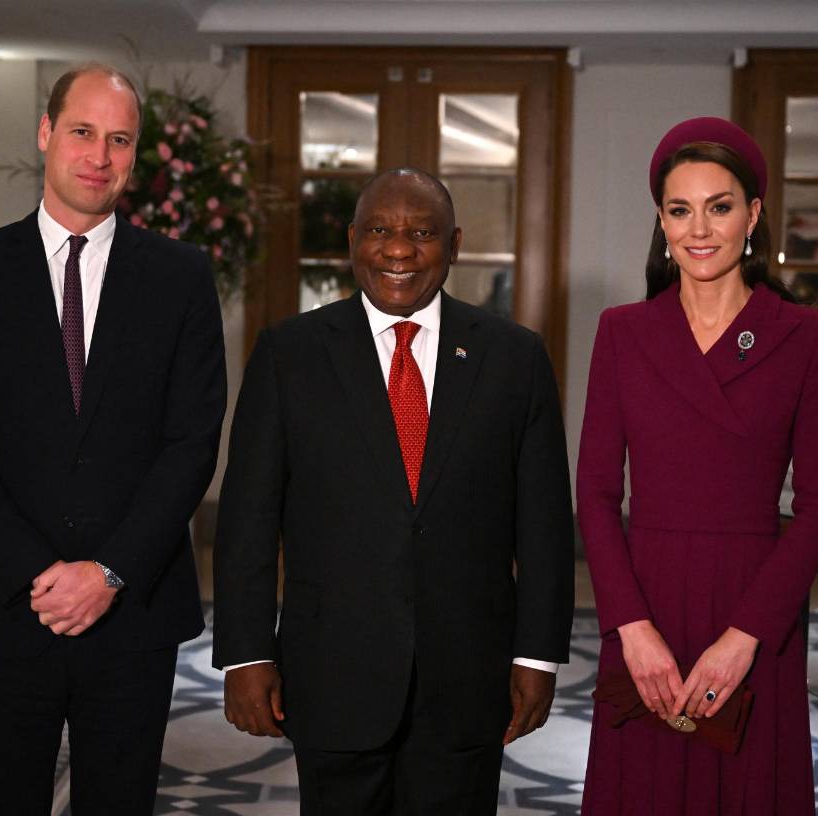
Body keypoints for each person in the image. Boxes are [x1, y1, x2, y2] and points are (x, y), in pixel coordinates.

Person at [0, 64, 227, 815]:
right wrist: (39, 574)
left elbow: (192, 442)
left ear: (136, 154)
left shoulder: (182, 277)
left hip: (134, 612)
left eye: (120, 140)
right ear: (47, 134)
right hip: (3, 607)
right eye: (83, 131)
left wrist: (109, 571)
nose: (100, 155)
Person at [212, 167, 574, 815]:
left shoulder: (514, 359)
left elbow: (544, 524)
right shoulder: (289, 354)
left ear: (455, 243)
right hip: (331, 671)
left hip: (468, 674)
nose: (399, 248)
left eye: (421, 232)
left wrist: (538, 657)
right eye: (379, 229)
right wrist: (244, 655)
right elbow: (247, 520)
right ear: (353, 239)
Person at [577, 117, 818, 814]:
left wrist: (746, 636)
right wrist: (629, 628)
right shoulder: (623, 333)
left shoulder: (807, 337)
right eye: (680, 209)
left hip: (756, 607)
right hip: (647, 605)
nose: (700, 229)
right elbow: (597, 494)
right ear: (661, 222)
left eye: (719, 207)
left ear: (753, 215)